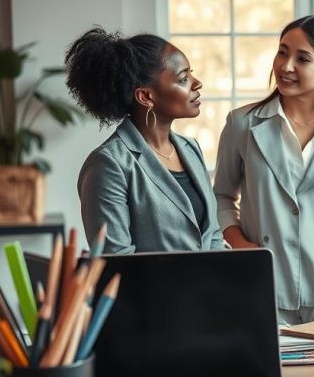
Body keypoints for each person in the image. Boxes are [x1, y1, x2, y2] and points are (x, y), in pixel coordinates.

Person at [213, 14, 314, 323]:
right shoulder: (242, 124)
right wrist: (244, 248)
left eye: (302, 58)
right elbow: (221, 197)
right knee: (266, 372)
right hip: (262, 286)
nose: (286, 66)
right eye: (283, 51)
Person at [67, 28, 225, 254]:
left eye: (191, 74)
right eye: (183, 78)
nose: (197, 83)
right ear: (146, 96)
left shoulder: (191, 148)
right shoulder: (108, 165)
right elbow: (117, 260)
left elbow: (213, 234)